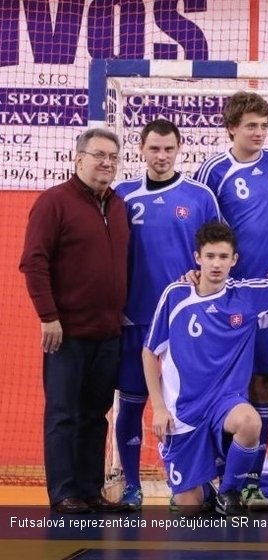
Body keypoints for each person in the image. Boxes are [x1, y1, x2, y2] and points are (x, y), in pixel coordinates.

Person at [143, 222, 268, 515]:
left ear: (234, 260)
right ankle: (202, 486)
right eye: (210, 256)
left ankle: (228, 491)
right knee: (189, 508)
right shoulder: (176, 295)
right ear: (197, 257)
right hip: (183, 411)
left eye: (223, 257)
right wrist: (158, 407)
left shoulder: (246, 295)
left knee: (250, 422)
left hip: (225, 404)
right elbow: (149, 352)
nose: (216, 264)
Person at [113, 119, 221, 510]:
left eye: (168, 149)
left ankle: (201, 483)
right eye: (154, 149)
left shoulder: (200, 196)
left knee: (194, 405)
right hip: (134, 318)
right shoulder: (121, 195)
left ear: (179, 150)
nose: (161, 156)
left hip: (186, 324)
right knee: (133, 401)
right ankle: (130, 483)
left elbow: (218, 250)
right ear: (140, 149)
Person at [19, 128, 129, 513]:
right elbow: (33, 261)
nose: (106, 163)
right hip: (66, 335)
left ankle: (89, 490)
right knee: (64, 415)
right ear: (78, 158)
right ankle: (64, 493)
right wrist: (48, 316)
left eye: (113, 157)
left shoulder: (118, 205)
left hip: (108, 333)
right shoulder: (54, 202)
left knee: (95, 416)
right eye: (99, 155)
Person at [194, 92, 268, 509]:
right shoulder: (212, 170)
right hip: (233, 296)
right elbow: (203, 231)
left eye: (264, 125)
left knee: (266, 383)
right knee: (230, 386)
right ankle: (222, 469)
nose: (259, 133)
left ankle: (253, 475)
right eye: (251, 125)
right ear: (231, 127)